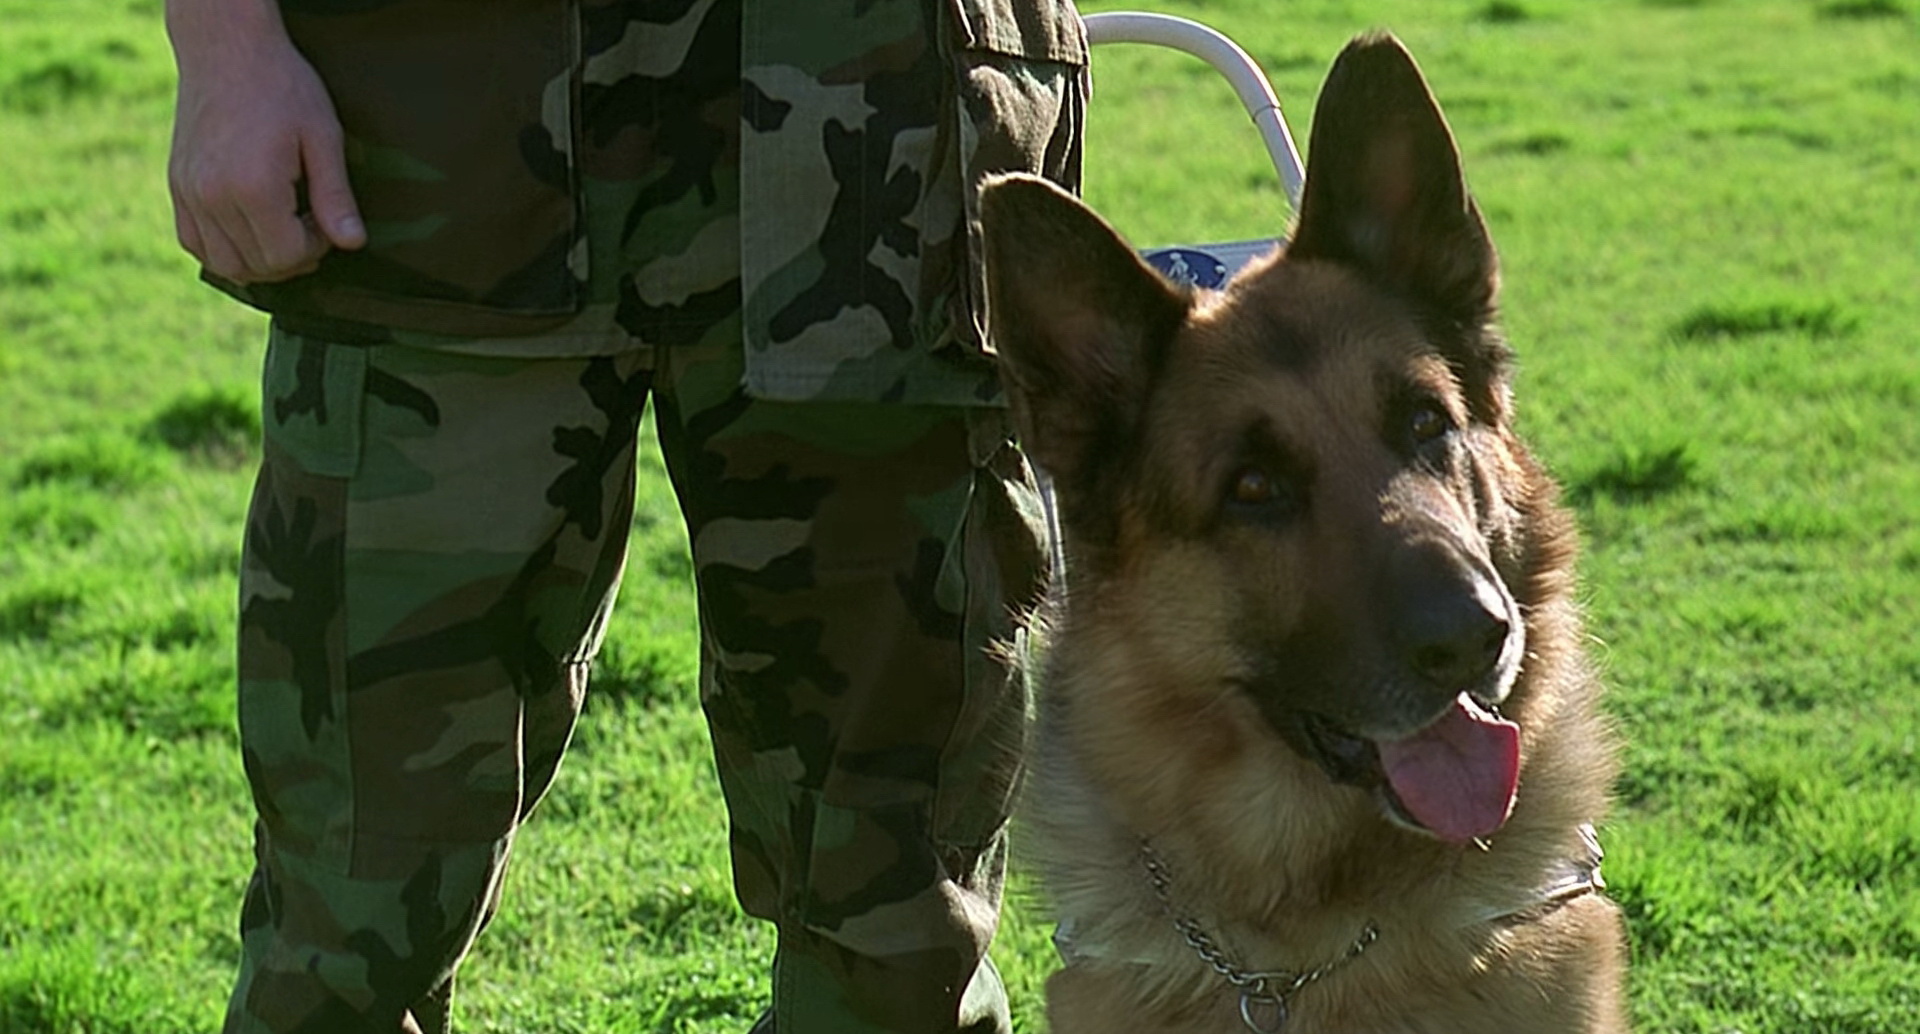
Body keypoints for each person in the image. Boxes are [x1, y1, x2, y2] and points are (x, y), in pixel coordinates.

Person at [162, 0, 1087, 1031]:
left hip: (879, 121)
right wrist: (226, 47)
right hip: (438, 127)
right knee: (352, 908)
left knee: (899, 919)